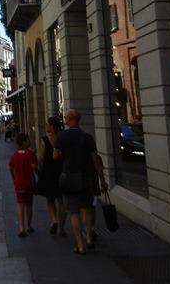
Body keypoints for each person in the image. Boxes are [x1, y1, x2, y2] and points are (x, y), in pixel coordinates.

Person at [53, 109, 107, 255]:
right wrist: (102, 180)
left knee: (74, 212)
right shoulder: (87, 137)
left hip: (69, 176)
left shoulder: (61, 136)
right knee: (87, 208)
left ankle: (80, 244)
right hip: (86, 177)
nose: (64, 119)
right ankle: (89, 237)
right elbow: (96, 160)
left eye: (65, 117)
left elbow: (55, 156)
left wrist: (64, 153)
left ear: (70, 119)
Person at [36, 116, 66, 236]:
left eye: (47, 124)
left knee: (50, 199)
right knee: (61, 200)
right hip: (61, 171)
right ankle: (62, 228)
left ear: (52, 126)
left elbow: (40, 159)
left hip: (48, 172)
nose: (46, 126)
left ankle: (53, 220)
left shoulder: (44, 140)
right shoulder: (62, 138)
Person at [9, 132, 37, 238]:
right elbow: (34, 166)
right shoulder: (30, 154)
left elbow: (11, 168)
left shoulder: (15, 154)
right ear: (24, 142)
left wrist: (14, 178)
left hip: (18, 183)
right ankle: (29, 225)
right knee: (29, 204)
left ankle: (21, 227)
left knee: (20, 204)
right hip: (29, 182)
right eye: (28, 140)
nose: (30, 141)